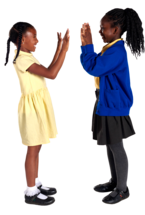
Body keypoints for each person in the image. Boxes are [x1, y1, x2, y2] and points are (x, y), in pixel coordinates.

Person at [4, 6, 144, 207]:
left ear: (116, 30)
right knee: (109, 144)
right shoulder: (110, 48)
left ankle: (122, 189)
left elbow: (93, 67)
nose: (99, 32)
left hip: (113, 104)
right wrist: (71, 45)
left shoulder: (116, 51)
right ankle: (114, 181)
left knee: (115, 145)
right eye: (99, 27)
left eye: (103, 28)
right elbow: (60, 71)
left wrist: (84, 44)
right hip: (105, 101)